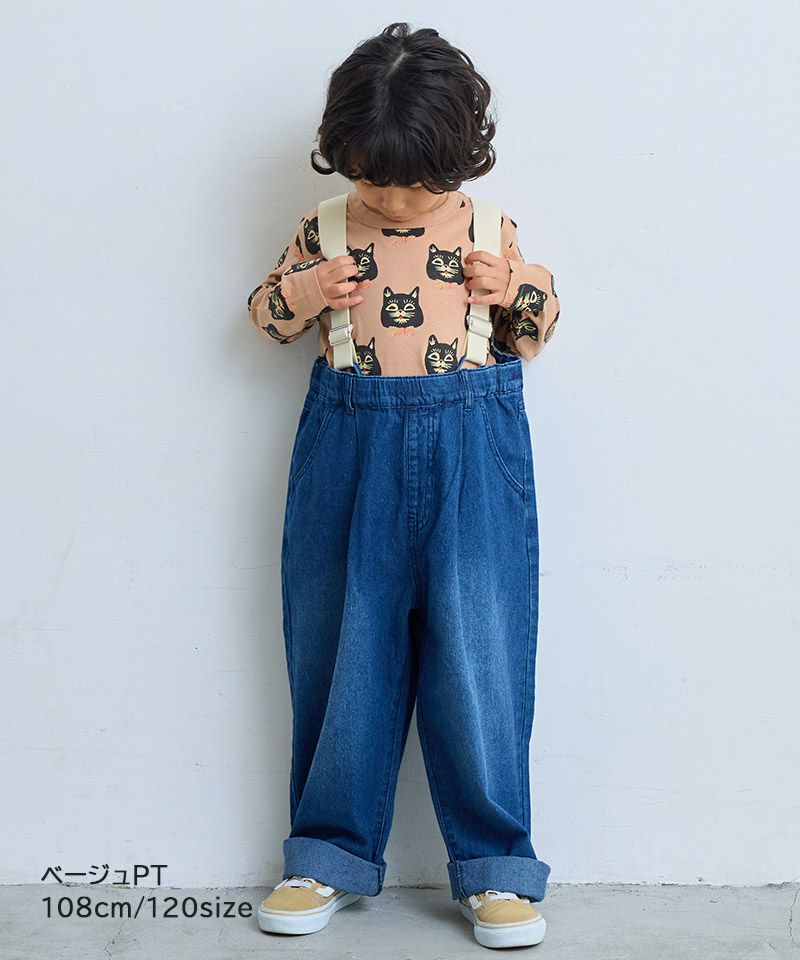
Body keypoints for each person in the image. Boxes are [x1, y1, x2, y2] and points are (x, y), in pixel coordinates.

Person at [247, 22, 561, 950]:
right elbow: (265, 317)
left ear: (460, 158)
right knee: (343, 651)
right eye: (370, 178)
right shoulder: (323, 230)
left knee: (480, 653)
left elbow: (539, 329)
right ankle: (327, 853)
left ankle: (497, 866)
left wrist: (515, 288)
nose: (388, 200)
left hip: (474, 451)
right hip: (351, 449)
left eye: (412, 184)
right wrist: (309, 292)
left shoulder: (491, 230)